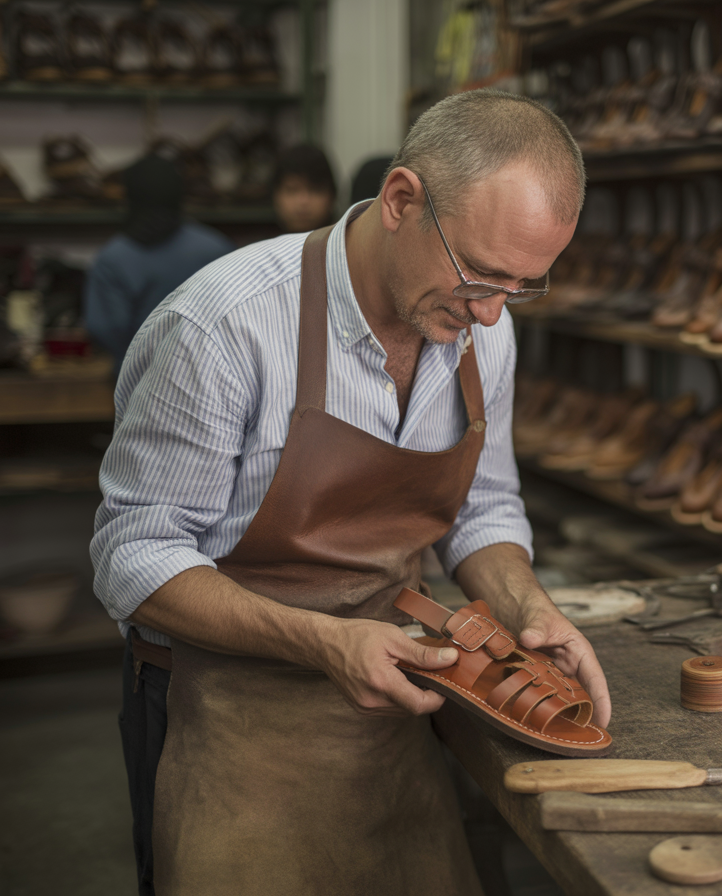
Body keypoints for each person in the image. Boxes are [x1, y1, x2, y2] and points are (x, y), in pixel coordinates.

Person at [90, 88, 609, 896]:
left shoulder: (481, 328)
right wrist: (327, 643)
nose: (492, 312)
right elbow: (135, 556)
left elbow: (483, 508)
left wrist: (527, 606)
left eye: (521, 286)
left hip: (391, 701)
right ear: (402, 200)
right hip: (219, 705)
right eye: (480, 276)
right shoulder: (225, 328)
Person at [83, 155, 232, 374]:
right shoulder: (215, 248)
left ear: (129, 196)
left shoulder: (114, 257)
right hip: (213, 378)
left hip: (139, 381)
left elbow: (105, 328)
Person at [271, 142, 336, 232]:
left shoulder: (349, 245)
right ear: (276, 195)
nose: (304, 201)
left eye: (315, 190)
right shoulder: (258, 246)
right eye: (292, 190)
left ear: (332, 196)